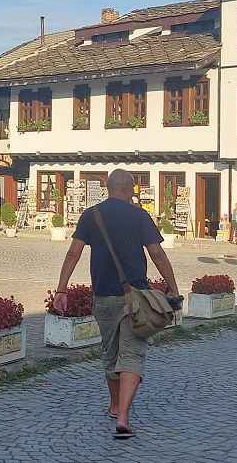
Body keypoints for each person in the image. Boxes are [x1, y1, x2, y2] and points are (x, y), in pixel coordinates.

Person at [53, 169, 182, 440]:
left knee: (110, 354)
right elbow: (156, 252)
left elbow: (73, 252)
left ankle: (114, 406)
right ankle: (123, 417)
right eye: (132, 189)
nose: (133, 194)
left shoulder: (91, 215)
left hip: (103, 297)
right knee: (132, 355)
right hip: (136, 298)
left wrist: (62, 289)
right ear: (125, 188)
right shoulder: (138, 215)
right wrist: (172, 286)